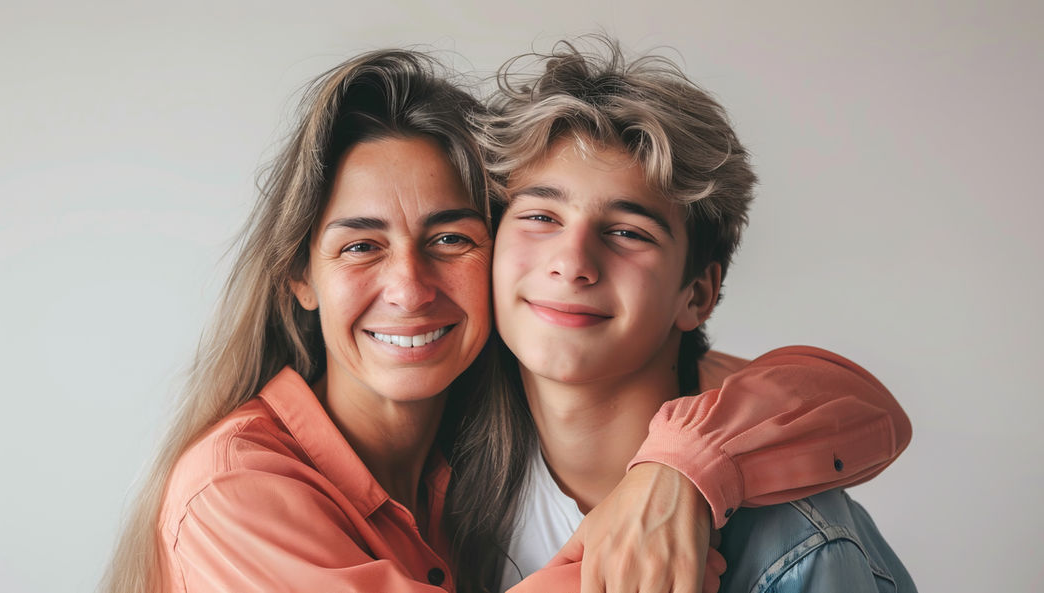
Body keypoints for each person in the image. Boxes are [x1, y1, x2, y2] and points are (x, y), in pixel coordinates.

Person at [101, 47, 909, 593]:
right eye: (359, 246)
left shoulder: (477, 424)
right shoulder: (236, 490)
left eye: (449, 237)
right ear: (297, 277)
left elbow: (844, 402)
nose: (410, 287)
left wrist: (681, 474)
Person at [446, 38, 915, 593]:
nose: (572, 263)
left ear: (697, 293)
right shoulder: (435, 465)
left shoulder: (794, 543)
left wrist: (684, 467)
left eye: (627, 232)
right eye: (541, 216)